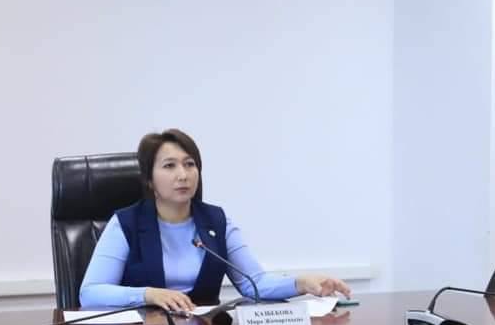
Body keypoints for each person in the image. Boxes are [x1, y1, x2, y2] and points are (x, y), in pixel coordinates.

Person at [79, 129, 351, 311]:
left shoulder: (216, 221)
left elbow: (253, 283)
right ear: (149, 180)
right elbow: (90, 293)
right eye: (169, 166)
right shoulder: (126, 223)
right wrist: (148, 294)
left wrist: (302, 283)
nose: (183, 175)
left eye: (190, 164)